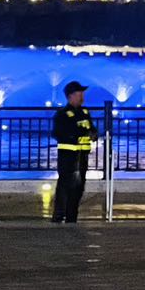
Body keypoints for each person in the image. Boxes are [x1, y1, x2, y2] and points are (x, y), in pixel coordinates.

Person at [52, 80, 94, 223]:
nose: (81, 96)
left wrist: (93, 134)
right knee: (65, 186)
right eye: (78, 93)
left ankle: (72, 217)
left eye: (82, 93)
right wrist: (77, 133)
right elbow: (58, 133)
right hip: (68, 156)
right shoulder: (63, 114)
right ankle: (59, 215)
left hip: (82, 156)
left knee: (79, 187)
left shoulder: (85, 112)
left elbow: (91, 128)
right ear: (70, 96)